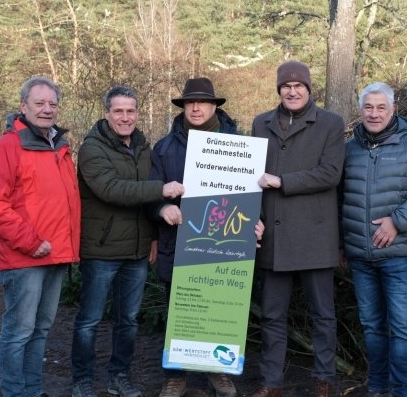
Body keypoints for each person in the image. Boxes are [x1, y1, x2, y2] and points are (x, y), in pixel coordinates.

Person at [71, 86, 186, 397]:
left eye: (131, 111)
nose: (125, 117)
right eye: (118, 111)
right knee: (90, 321)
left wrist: (151, 237)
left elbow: (144, 202)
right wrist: (162, 190)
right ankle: (81, 381)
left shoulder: (144, 148)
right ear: (107, 114)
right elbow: (113, 190)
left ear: (137, 113)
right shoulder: (92, 149)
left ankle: (118, 376)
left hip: (136, 251)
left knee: (129, 321)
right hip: (102, 249)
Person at [149, 77, 261, 397]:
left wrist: (257, 221)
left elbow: (252, 193)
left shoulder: (239, 144)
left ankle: (218, 372)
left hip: (224, 242)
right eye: (189, 103)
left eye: (202, 102)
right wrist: (161, 209)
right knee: (178, 310)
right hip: (179, 241)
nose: (195, 108)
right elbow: (151, 192)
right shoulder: (164, 148)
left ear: (214, 106)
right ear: (183, 107)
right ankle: (175, 375)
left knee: (221, 308)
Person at [0, 76, 81, 397]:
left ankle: (33, 391)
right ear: (23, 106)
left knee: (40, 330)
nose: (47, 109)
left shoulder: (60, 147)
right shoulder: (6, 148)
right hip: (24, 258)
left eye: (52, 103)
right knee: (19, 331)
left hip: (57, 255)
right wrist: (32, 243)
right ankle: (14, 392)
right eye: (39, 103)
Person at [250, 60, 346, 397]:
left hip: (315, 237)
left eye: (299, 86)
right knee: (273, 316)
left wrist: (283, 181)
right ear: (279, 89)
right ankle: (270, 382)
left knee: (322, 315)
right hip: (273, 237)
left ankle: (324, 378)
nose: (292, 91)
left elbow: (330, 173)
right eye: (286, 86)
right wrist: (252, 218)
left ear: (309, 89)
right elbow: (251, 178)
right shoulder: (260, 123)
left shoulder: (331, 124)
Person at [339, 82, 407, 397]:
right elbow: (339, 198)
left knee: (402, 329)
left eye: (381, 107)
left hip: (398, 255)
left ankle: (404, 390)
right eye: (368, 107)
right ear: (360, 110)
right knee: (371, 327)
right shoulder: (349, 150)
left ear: (393, 109)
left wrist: (397, 222)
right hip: (360, 256)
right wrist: (341, 244)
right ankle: (378, 388)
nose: (374, 113)